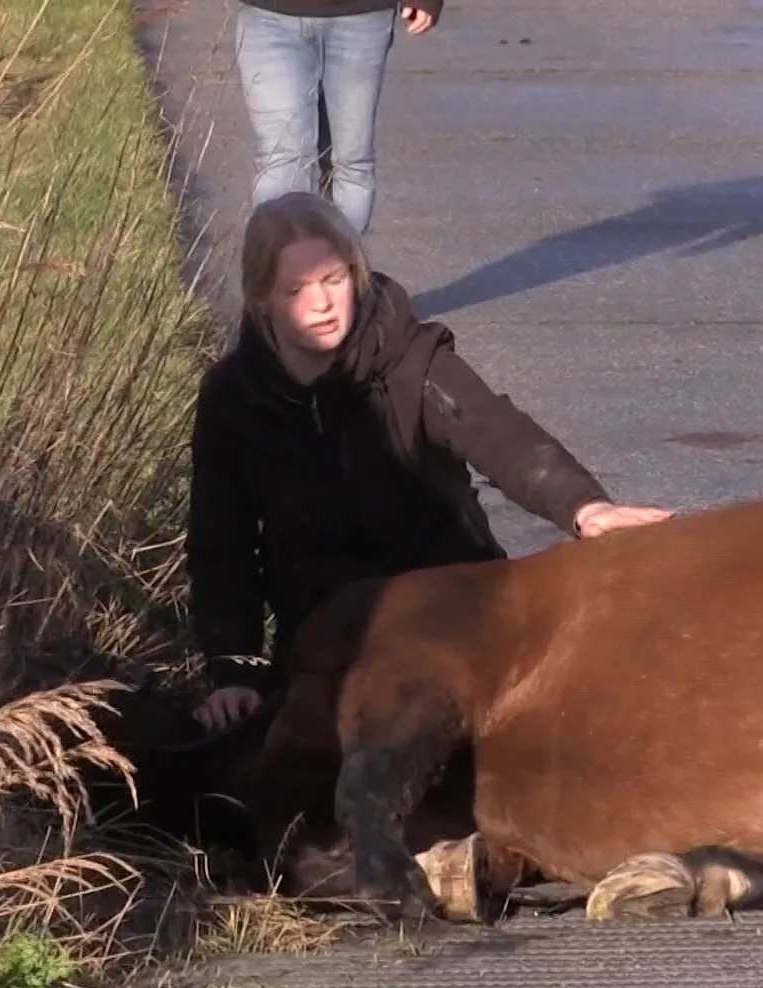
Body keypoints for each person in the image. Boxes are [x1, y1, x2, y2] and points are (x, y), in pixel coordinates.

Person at [186, 192, 673, 731]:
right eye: (297, 289)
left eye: (335, 280)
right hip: (328, 635)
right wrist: (232, 671)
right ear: (262, 299)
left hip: (452, 604)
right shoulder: (233, 398)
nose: (322, 303)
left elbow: (497, 434)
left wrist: (583, 505)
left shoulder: (413, 359)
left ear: (356, 274)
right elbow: (220, 547)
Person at [234, 0, 439, 234]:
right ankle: (287, 267)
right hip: (268, 15)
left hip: (361, 16)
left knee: (351, 160)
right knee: (283, 159)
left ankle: (340, 267)